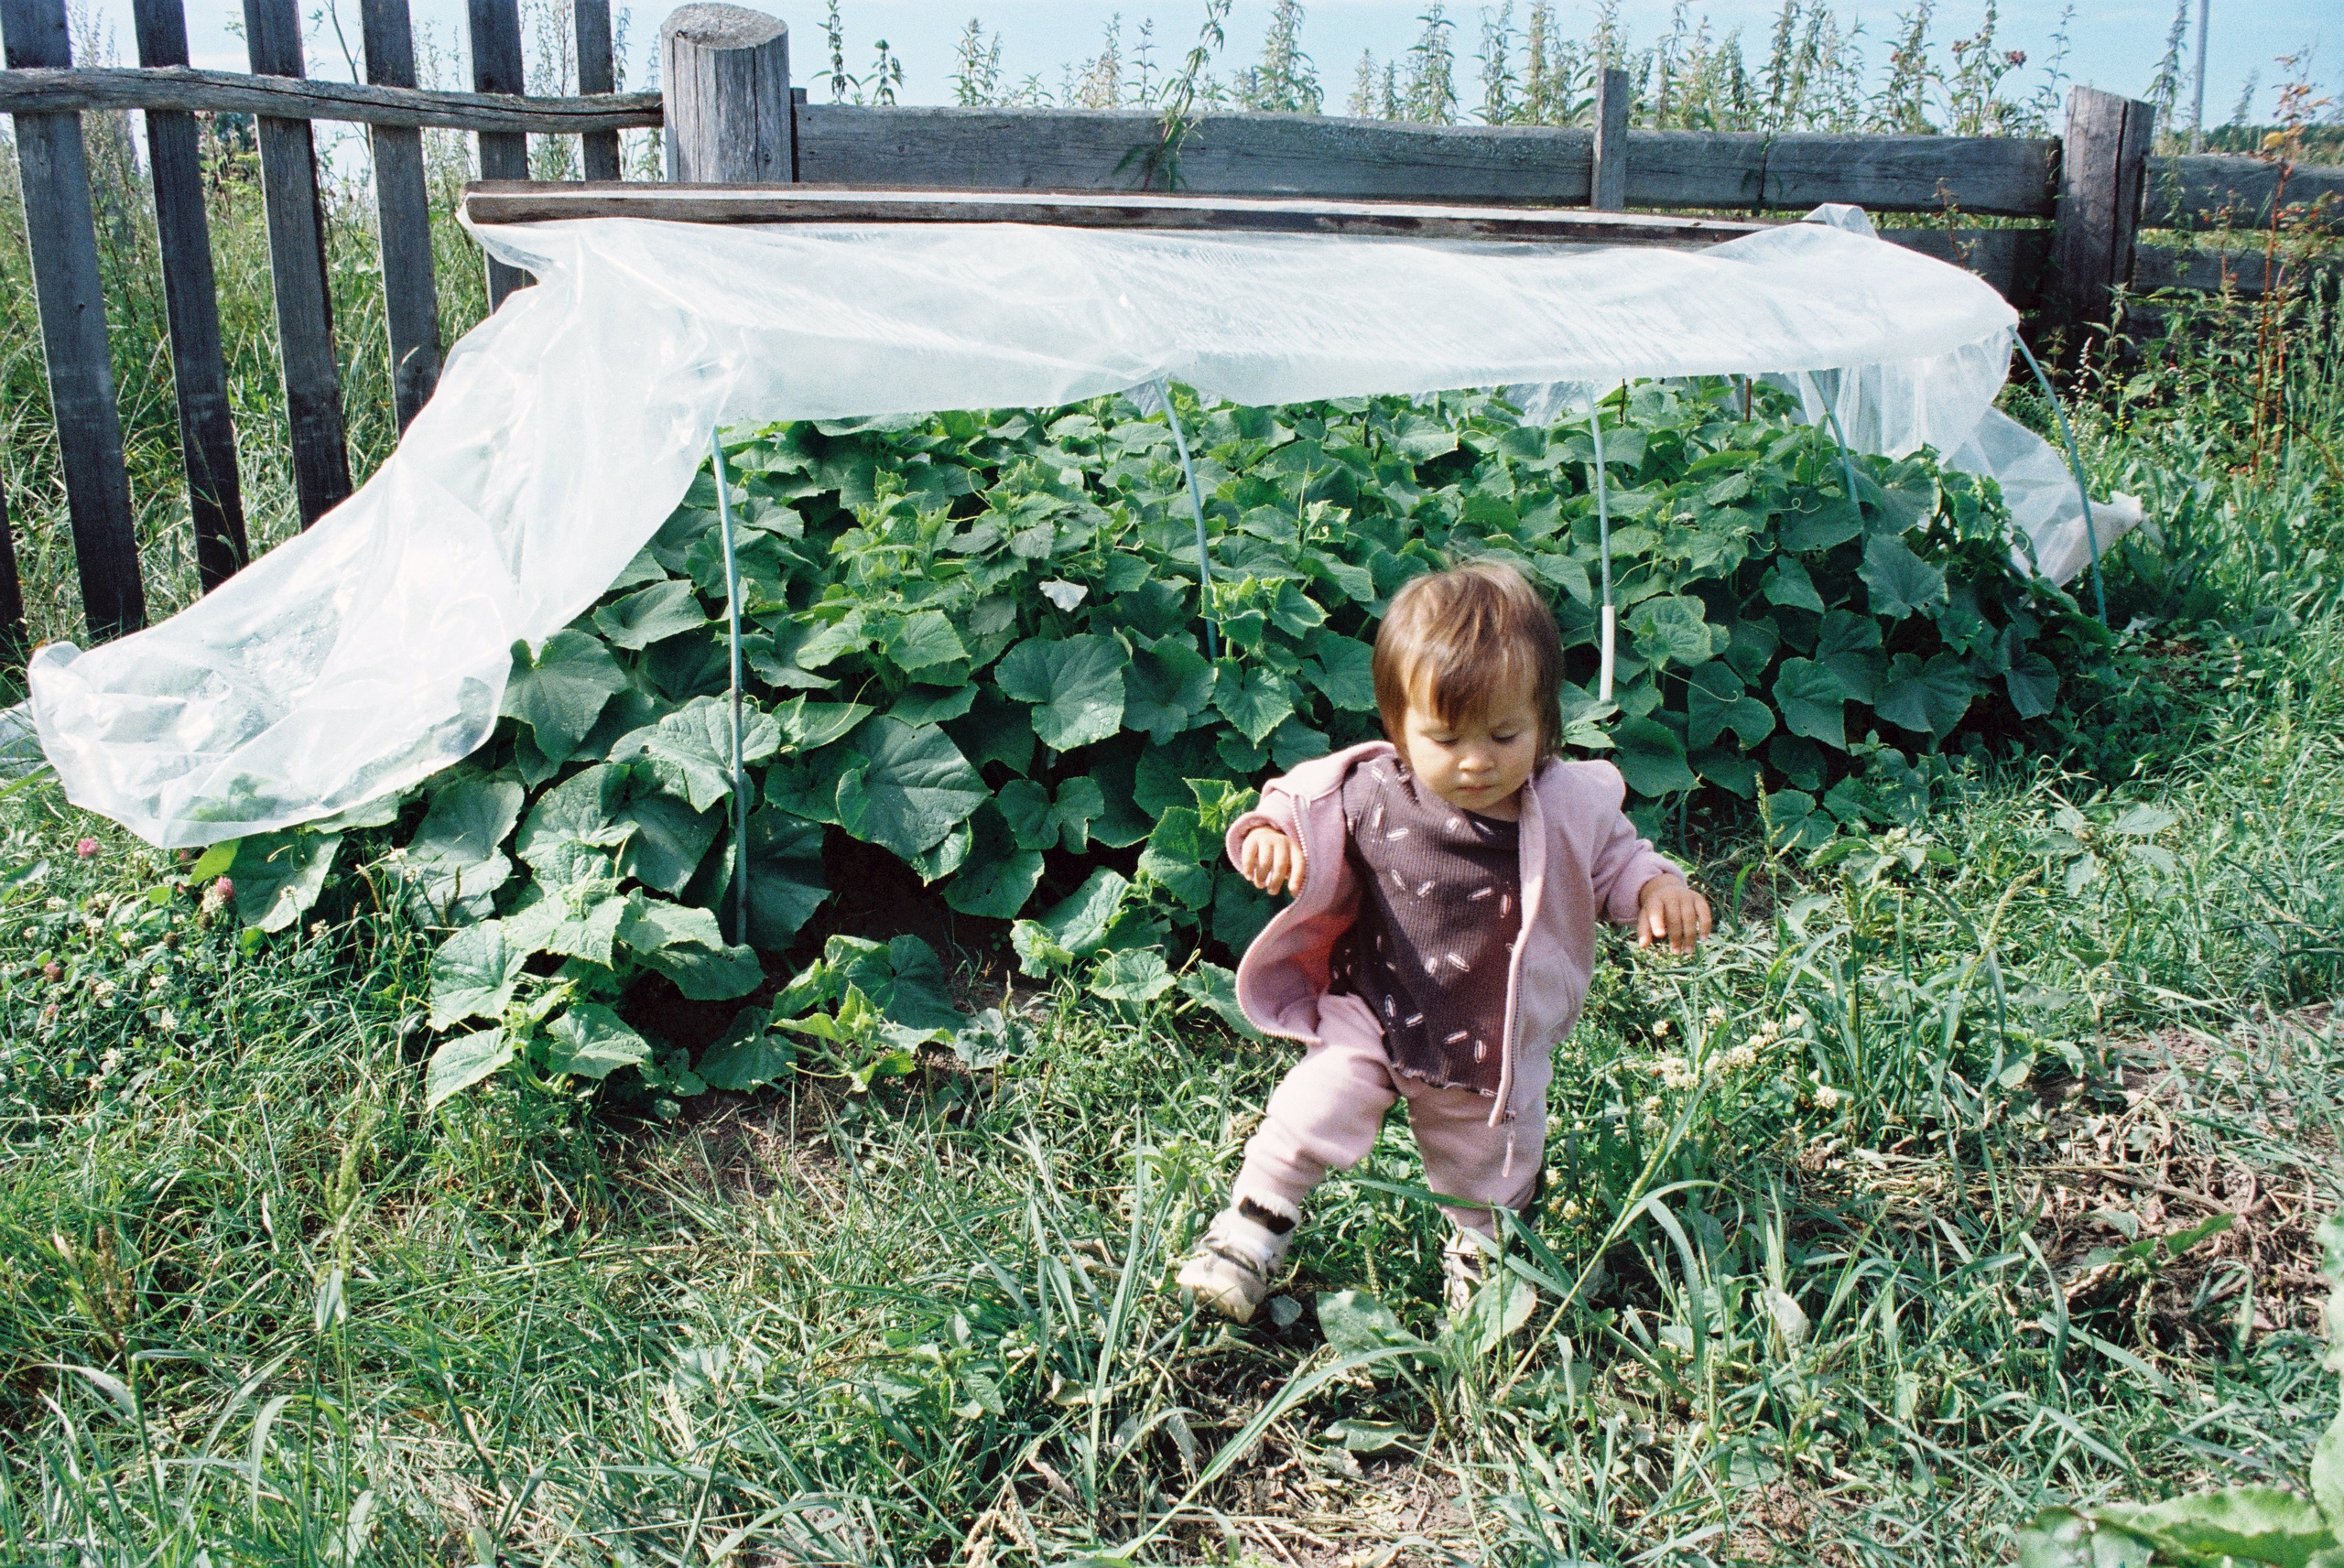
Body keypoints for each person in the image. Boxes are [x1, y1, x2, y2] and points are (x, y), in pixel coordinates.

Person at [1176, 558, 1712, 1323]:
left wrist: (1658, 891)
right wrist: (1271, 836)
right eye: (1446, 736)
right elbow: (1296, 805)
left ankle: (1484, 1265)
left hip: (1485, 1035)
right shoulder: (1368, 789)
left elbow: (1618, 860)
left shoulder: (1567, 805)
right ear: (1397, 727)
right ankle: (1248, 1233)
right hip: (1374, 1003)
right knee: (1312, 1107)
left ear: (1545, 721)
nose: (1477, 759)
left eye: (1506, 733)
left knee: (1486, 1167)